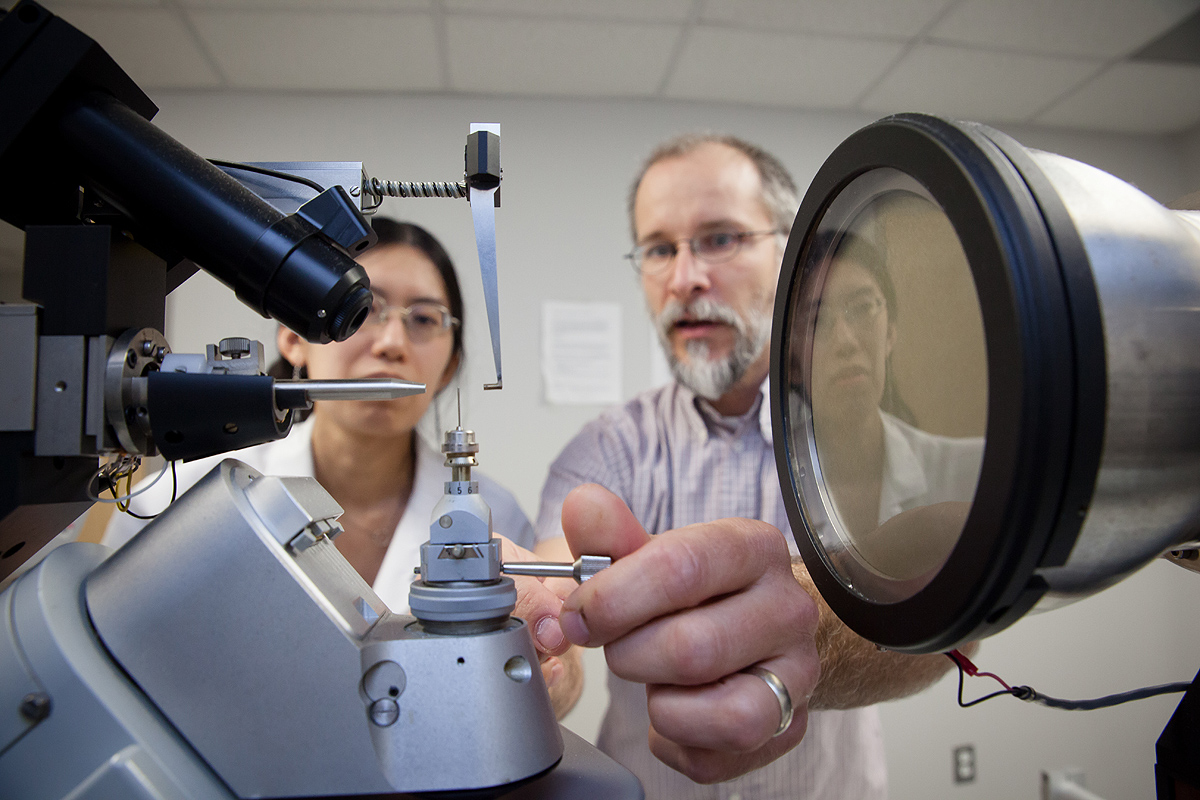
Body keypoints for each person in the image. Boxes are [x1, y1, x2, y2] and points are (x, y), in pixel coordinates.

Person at [536, 135, 964, 796]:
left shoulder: (870, 436)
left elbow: (942, 627)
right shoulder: (607, 450)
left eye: (719, 239)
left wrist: (808, 639)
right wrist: (540, 646)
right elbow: (555, 590)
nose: (684, 279)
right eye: (658, 249)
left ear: (791, 252)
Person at [104, 218, 580, 714]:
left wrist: (551, 680)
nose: (392, 342)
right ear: (293, 336)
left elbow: (553, 666)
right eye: (363, 311)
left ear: (450, 366)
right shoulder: (189, 494)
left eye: (423, 318)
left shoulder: (494, 514)